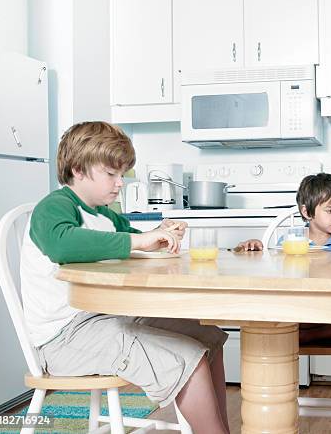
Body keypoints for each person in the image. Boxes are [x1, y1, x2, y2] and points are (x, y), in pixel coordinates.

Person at [20, 121, 230, 434]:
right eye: (111, 174)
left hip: (104, 319)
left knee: (208, 335)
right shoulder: (54, 207)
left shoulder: (105, 213)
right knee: (187, 358)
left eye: (122, 174)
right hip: (64, 340)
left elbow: (135, 240)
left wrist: (159, 237)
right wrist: (138, 241)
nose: (120, 183)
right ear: (78, 169)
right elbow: (61, 243)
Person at [237, 172, 331, 344]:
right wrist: (253, 247)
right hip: (305, 309)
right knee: (279, 313)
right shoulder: (291, 241)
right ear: (307, 212)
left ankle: (308, 336)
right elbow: (274, 273)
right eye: (330, 210)